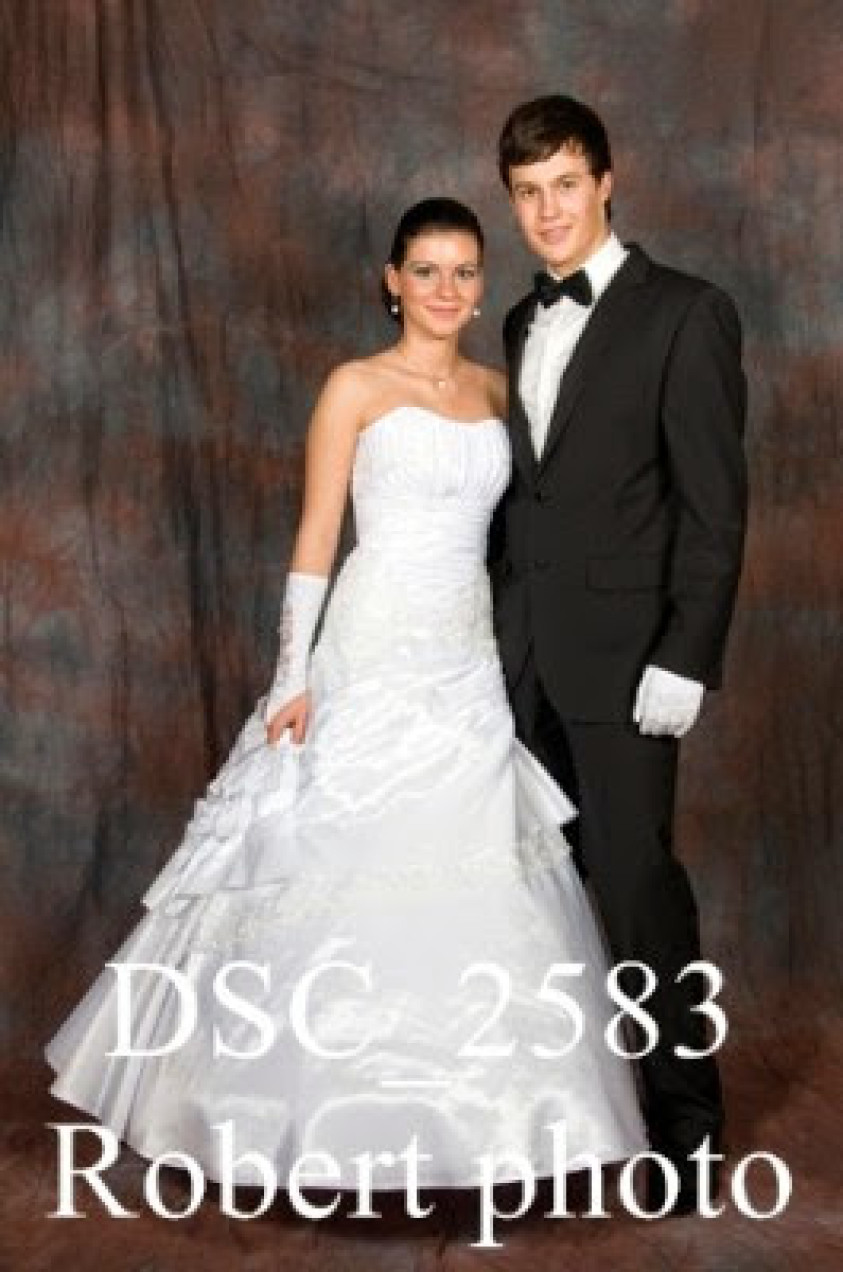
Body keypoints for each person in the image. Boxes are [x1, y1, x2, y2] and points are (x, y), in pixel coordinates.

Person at [46, 198, 647, 1197]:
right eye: (426, 270)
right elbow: (318, 535)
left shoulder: (499, 392)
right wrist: (293, 678)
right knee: (328, 853)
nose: (446, 289)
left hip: (465, 660)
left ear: (481, 285)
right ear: (391, 281)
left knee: (478, 863)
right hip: (368, 646)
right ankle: (284, 1115)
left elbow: (536, 533)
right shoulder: (354, 387)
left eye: (464, 271)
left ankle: (487, 1128)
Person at [490, 95, 748, 1214]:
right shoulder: (517, 321)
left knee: (638, 895)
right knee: (533, 898)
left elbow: (714, 509)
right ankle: (548, 1119)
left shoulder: (687, 313)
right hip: (519, 665)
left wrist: (685, 655)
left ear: (606, 181)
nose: (548, 209)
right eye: (527, 191)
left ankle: (686, 1131)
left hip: (629, 665)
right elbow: (529, 504)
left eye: (565, 184)